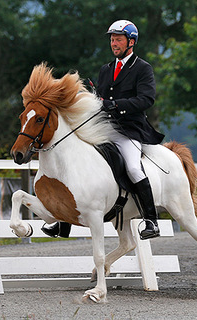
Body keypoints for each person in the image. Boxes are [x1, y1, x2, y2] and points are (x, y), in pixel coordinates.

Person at [42, 19, 164, 240]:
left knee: (134, 168)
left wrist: (116, 105)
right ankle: (63, 223)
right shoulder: (106, 69)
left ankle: (151, 220)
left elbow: (146, 99)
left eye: (118, 39)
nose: (113, 43)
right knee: (75, 159)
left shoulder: (142, 68)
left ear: (131, 42)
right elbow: (102, 99)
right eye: (112, 39)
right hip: (104, 128)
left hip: (130, 130)